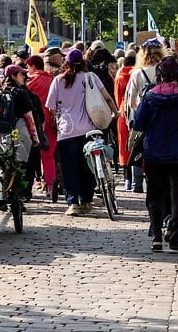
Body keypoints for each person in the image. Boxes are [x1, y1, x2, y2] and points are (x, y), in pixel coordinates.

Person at [131, 57, 178, 253]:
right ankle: (176, 239)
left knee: (154, 196)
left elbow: (139, 123)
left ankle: (156, 237)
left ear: (160, 75)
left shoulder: (149, 97)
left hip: (154, 154)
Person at [45, 49, 116, 216]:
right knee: (88, 167)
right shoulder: (91, 77)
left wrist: (61, 115)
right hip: (89, 129)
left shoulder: (58, 80)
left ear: (66, 63)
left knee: (69, 167)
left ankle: (73, 203)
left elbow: (51, 107)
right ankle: (86, 200)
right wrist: (116, 113)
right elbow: (107, 98)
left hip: (67, 130)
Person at [123, 39, 165, 193]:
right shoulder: (164, 71)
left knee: (138, 148)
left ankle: (137, 183)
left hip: (142, 117)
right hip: (161, 117)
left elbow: (131, 101)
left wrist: (141, 111)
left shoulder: (137, 73)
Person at [26, 55, 58, 200]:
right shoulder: (52, 79)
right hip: (51, 121)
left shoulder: (31, 81)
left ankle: (30, 185)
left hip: (34, 122)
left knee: (30, 155)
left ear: (33, 66)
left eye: (28, 67)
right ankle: (51, 186)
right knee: (48, 155)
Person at [115, 53, 137, 189]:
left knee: (124, 144)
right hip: (137, 108)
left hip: (124, 110)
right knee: (137, 143)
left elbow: (117, 97)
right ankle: (138, 177)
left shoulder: (120, 76)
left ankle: (127, 178)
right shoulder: (138, 74)